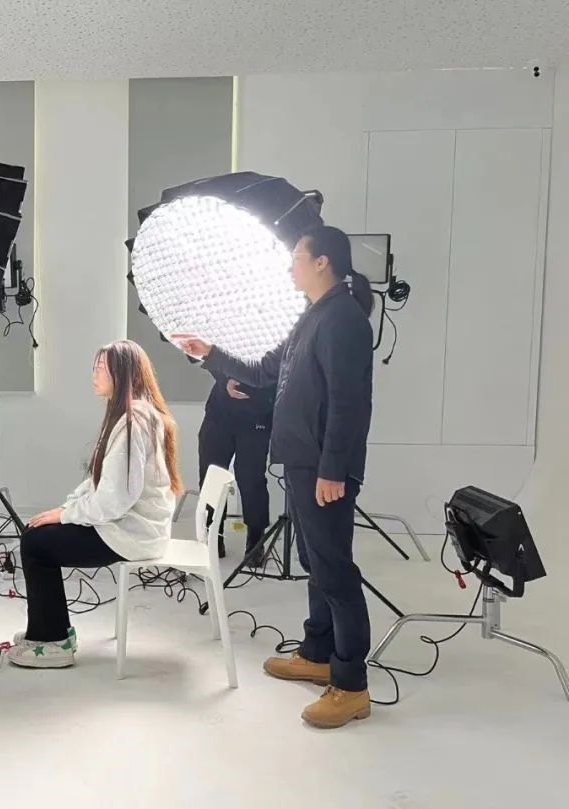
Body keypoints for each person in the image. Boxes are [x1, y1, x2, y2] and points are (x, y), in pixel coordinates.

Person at [175, 225, 375, 729]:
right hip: (304, 461)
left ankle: (351, 685)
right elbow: (266, 371)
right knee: (314, 561)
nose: (291, 265)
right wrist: (209, 353)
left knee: (334, 569)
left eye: (297, 257)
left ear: (323, 262)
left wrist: (333, 469)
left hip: (324, 467)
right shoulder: (312, 315)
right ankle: (317, 652)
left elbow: (349, 405)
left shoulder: (344, 319)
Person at [7, 339, 182, 669]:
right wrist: (67, 510)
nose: (94, 375)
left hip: (131, 534)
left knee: (36, 544)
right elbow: (100, 482)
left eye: (101, 369)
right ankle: (52, 631)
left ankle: (51, 641)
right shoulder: (136, 415)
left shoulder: (132, 423)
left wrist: (66, 514)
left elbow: (115, 500)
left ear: (123, 374)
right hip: (133, 527)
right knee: (39, 533)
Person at [199, 371, 274, 559]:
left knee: (251, 479)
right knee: (211, 477)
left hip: (258, 412)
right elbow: (207, 357)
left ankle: (256, 540)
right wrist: (224, 380)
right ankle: (213, 536)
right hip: (219, 413)